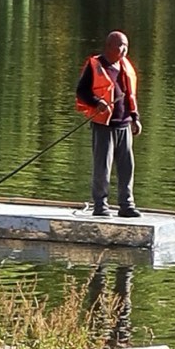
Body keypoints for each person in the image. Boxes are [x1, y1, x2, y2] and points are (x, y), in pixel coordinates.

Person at [75, 24, 140, 218]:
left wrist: (135, 118)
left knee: (127, 167)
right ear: (110, 46)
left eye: (126, 46)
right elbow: (82, 91)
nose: (125, 50)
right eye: (121, 46)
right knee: (102, 167)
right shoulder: (95, 65)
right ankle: (100, 205)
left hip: (124, 124)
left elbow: (130, 95)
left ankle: (126, 205)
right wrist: (97, 102)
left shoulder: (126, 67)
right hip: (103, 125)